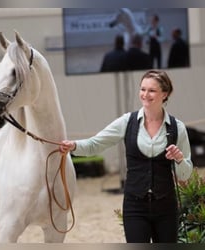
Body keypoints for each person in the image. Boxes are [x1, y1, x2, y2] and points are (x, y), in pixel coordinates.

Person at [60, 70, 193, 243]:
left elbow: (186, 174)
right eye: (142, 89)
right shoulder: (126, 122)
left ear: (165, 94)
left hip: (166, 207)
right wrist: (74, 146)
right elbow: (96, 144)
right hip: (135, 206)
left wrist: (179, 159)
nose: (145, 94)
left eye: (151, 90)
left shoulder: (178, 128)